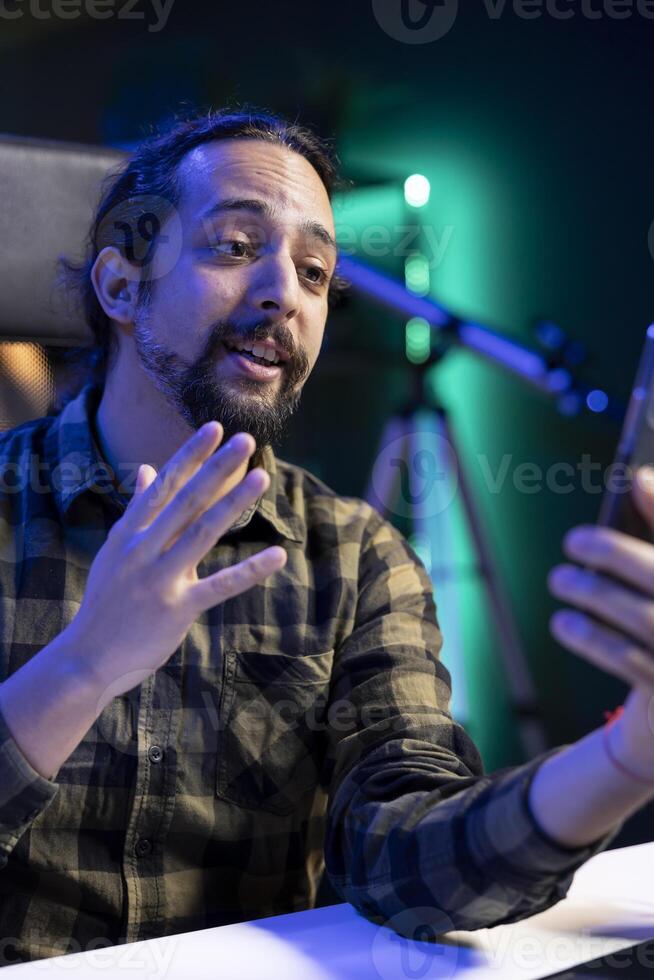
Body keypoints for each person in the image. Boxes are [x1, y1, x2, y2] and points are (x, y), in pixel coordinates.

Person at [0, 107, 653, 967]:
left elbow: (409, 865)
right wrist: (82, 665)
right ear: (122, 287)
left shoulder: (355, 560)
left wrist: (628, 755)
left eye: (315, 272)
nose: (284, 294)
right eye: (236, 246)